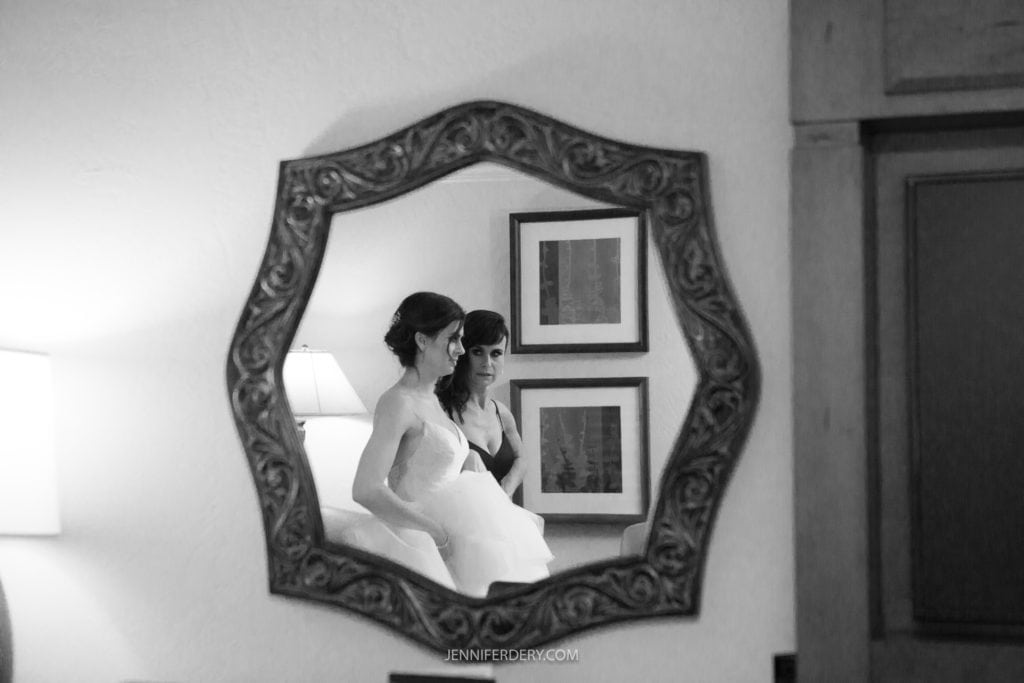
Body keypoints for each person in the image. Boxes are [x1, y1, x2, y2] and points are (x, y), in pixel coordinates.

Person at [346, 292, 552, 597]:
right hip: (425, 543)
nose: (460, 350)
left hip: (456, 538)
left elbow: (432, 460)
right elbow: (365, 488)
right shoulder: (398, 402)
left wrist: (469, 460)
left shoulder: (432, 400)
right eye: (453, 339)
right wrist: (434, 532)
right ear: (422, 341)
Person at [437, 310, 525, 499]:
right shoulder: (442, 411)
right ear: (461, 353)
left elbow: (521, 459)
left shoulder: (501, 413)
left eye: (496, 353)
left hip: (503, 518)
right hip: (457, 520)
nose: (487, 363)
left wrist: (506, 488)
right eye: (477, 352)